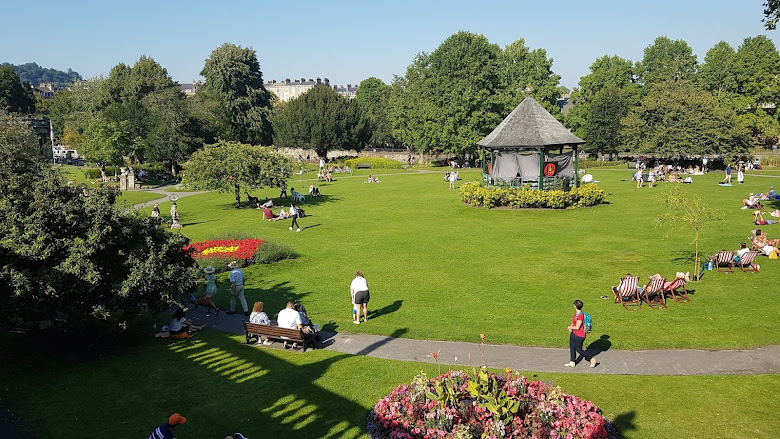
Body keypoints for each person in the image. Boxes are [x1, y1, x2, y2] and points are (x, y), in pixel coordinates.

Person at [565, 300, 596, 368]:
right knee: (572, 347)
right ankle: (572, 361)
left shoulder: (580, 315)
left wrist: (570, 327)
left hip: (579, 335)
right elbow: (574, 322)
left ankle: (591, 359)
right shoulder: (577, 314)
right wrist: (571, 327)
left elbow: (577, 327)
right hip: (574, 333)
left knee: (579, 350)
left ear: (575, 306)